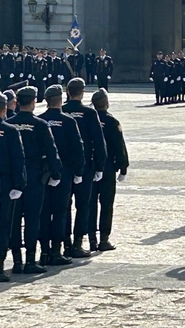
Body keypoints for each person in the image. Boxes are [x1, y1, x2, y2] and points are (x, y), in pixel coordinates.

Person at [6, 86, 62, 274]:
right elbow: (51, 151)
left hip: (14, 177)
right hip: (35, 177)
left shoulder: (9, 123)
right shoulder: (39, 125)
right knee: (32, 218)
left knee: (14, 220)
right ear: (33, 102)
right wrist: (56, 173)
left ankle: (16, 261)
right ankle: (30, 259)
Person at [38, 85, 84, 266]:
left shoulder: (40, 120)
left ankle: (44, 251)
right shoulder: (68, 121)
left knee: (44, 212)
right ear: (61, 98)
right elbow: (77, 148)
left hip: (43, 173)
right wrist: (79, 171)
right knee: (60, 211)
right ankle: (56, 250)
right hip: (64, 172)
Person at [62, 78, 107, 257]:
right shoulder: (89, 113)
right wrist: (100, 166)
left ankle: (65, 242)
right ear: (82, 93)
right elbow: (99, 141)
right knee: (83, 205)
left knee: (64, 206)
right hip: (86, 165)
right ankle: (78, 243)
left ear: (67, 92)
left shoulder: (62, 110)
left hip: (65, 165)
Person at [89, 88, 129, 251]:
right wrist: (123, 167)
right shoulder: (112, 122)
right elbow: (119, 146)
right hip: (107, 167)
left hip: (91, 167)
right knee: (106, 203)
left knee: (90, 204)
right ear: (106, 103)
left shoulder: (88, 119)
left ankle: (91, 238)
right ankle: (103, 239)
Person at [0, 92, 26, 282]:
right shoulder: (10, 131)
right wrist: (20, 184)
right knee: (3, 225)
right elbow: (18, 160)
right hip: (5, 184)